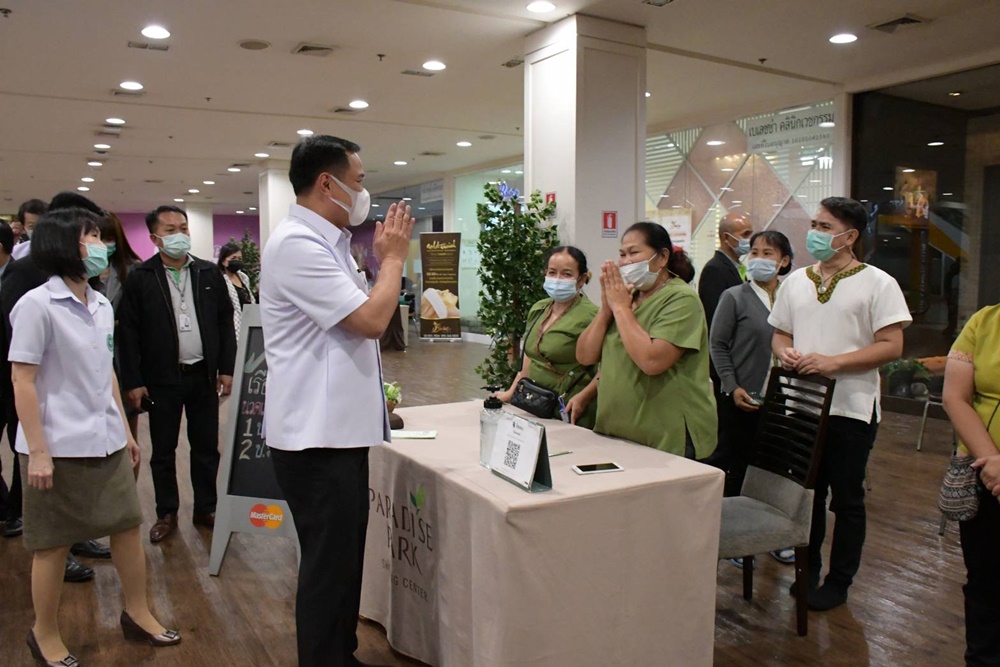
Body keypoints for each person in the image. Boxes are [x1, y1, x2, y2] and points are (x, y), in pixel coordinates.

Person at [259, 134, 413, 667]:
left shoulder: (328, 242)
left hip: (336, 433)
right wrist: (392, 261)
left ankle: (339, 655)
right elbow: (370, 320)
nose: (364, 192)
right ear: (327, 183)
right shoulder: (297, 245)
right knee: (329, 568)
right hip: (316, 440)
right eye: (359, 181)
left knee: (343, 563)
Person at [11, 208, 179, 667]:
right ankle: (44, 633)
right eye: (91, 237)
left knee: (126, 527)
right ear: (63, 245)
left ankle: (138, 612)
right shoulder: (36, 305)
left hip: (106, 439)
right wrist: (38, 452)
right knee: (52, 543)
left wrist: (124, 430)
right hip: (56, 446)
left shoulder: (102, 304)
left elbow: (107, 371)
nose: (101, 246)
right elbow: (23, 381)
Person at [769, 196, 911, 611]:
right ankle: (807, 568)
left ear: (849, 237)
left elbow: (892, 345)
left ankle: (839, 581)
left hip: (851, 408)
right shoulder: (796, 282)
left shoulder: (878, 283)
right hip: (802, 406)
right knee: (806, 497)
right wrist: (785, 352)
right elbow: (780, 333)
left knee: (846, 500)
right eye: (814, 224)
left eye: (825, 227)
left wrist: (834, 362)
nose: (814, 233)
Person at [2, 193, 113, 579]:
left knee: (84, 490)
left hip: (83, 406)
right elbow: (18, 351)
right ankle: (55, 551)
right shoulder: (29, 280)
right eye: (92, 234)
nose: (100, 244)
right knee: (41, 484)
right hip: (37, 394)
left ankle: (79, 538)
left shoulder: (94, 292)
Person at [118, 205, 236, 543]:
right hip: (162, 379)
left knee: (206, 447)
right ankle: (166, 512)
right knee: (163, 450)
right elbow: (128, 333)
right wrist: (134, 381)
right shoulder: (142, 277)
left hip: (203, 376)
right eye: (170, 230)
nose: (180, 235)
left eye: (183, 228)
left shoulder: (208, 273)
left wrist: (226, 368)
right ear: (155, 238)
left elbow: (225, 322)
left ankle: (206, 508)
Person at [577, 222, 717, 459]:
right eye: (622, 254)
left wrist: (620, 309)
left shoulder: (681, 299)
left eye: (634, 253)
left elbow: (652, 362)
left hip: (666, 435)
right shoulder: (626, 297)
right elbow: (585, 356)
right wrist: (606, 310)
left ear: (662, 257)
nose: (626, 261)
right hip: (617, 430)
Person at [708, 230, 796, 568]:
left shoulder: (791, 297)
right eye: (755, 252)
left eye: (768, 253)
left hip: (785, 398)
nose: (759, 258)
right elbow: (718, 345)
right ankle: (737, 539)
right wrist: (731, 386)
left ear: (784, 261)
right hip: (743, 396)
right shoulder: (735, 296)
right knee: (740, 466)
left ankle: (775, 536)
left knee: (777, 468)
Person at [942, 304, 1000, 665]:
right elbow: (955, 397)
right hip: (985, 476)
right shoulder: (985, 321)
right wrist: (993, 462)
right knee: (986, 583)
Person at [496, 246, 600, 427]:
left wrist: (584, 397)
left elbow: (606, 367)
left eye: (566, 274)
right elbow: (530, 357)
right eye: (552, 272)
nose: (557, 279)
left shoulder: (592, 316)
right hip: (533, 402)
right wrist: (511, 392)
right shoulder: (539, 308)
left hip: (568, 407)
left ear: (582, 279)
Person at [92, 213, 143, 440]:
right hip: (90, 355)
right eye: (98, 238)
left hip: (123, 356)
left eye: (109, 239)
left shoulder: (133, 270)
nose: (104, 245)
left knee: (126, 425)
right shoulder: (81, 271)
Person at [698, 212, 753, 330]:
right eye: (745, 235)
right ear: (726, 238)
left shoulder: (737, 267)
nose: (749, 241)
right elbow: (713, 317)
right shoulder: (714, 269)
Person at [217, 241, 256, 340]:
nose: (237, 261)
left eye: (239, 259)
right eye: (233, 258)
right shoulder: (220, 280)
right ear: (223, 261)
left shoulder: (243, 278)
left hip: (248, 322)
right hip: (231, 327)